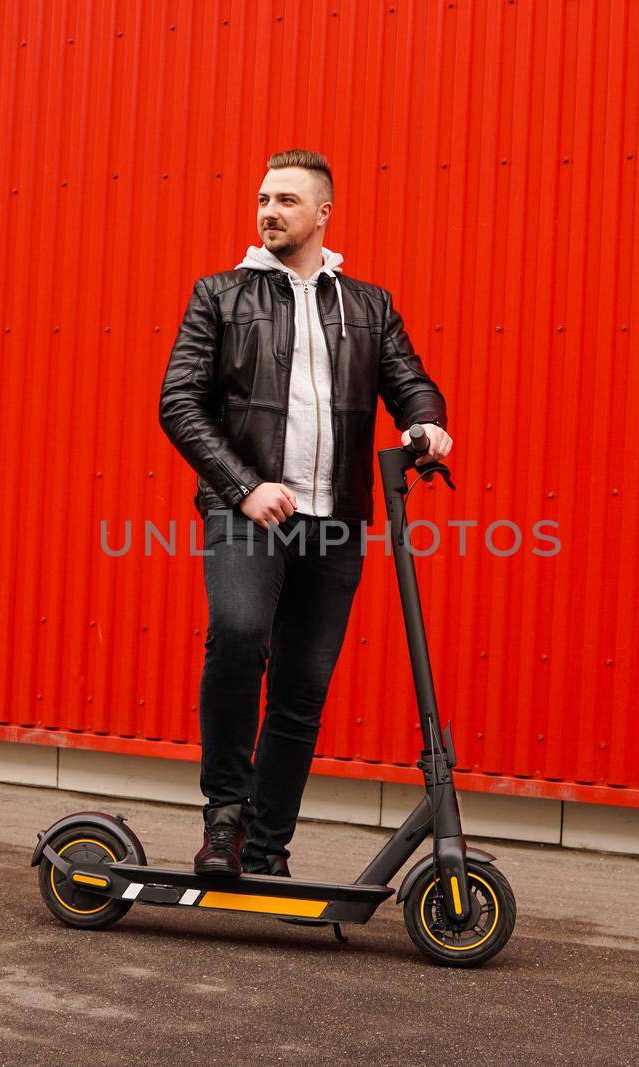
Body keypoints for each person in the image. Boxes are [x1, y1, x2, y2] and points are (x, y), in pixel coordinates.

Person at [158, 149, 453, 877]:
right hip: (247, 512)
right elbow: (179, 402)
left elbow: (410, 381)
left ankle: (265, 848)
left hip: (335, 523)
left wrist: (426, 421)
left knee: (300, 688)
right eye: (263, 198)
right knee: (238, 635)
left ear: (322, 214)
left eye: (286, 200)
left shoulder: (368, 306)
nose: (268, 211)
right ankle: (224, 819)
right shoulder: (219, 295)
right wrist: (242, 484)